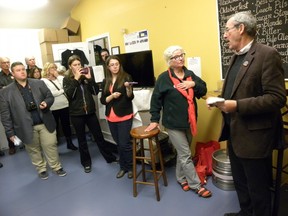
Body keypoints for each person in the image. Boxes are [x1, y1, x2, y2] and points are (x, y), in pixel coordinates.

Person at [206, 11, 286, 216]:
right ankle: (245, 212)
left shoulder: (267, 54)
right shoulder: (235, 57)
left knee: (258, 190)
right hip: (234, 133)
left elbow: (276, 98)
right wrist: (220, 102)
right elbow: (235, 91)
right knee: (241, 183)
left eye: (227, 30)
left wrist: (237, 105)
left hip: (256, 138)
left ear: (241, 29)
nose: (224, 35)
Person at [145, 45, 212, 198]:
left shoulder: (189, 74)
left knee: (183, 154)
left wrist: (192, 84)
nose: (180, 58)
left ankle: (181, 178)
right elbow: (156, 101)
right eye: (176, 57)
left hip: (189, 121)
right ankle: (197, 185)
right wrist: (154, 120)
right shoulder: (164, 78)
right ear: (169, 61)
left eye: (181, 55)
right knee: (186, 154)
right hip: (173, 124)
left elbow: (203, 89)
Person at [0, 61, 67, 180]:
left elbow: (49, 96)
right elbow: (5, 114)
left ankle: (56, 167)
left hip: (44, 121)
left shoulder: (38, 83)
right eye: (18, 70)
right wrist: (9, 132)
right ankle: (41, 169)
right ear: (13, 74)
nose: (22, 71)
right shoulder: (6, 92)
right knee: (33, 149)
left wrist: (46, 103)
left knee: (50, 145)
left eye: (23, 69)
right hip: (25, 126)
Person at [63, 55, 117, 173]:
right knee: (81, 140)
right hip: (77, 114)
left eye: (79, 64)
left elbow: (95, 92)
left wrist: (90, 79)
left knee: (99, 136)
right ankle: (86, 162)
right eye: (75, 65)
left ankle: (109, 158)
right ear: (70, 66)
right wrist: (76, 80)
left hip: (90, 112)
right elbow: (70, 96)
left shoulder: (85, 76)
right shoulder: (67, 79)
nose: (78, 67)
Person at [100, 55, 134, 179]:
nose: (115, 67)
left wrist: (128, 88)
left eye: (117, 64)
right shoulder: (106, 81)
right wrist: (112, 96)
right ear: (108, 67)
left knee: (125, 144)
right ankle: (123, 167)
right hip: (111, 116)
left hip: (124, 115)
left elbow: (130, 96)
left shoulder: (126, 77)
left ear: (120, 65)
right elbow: (103, 100)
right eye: (112, 65)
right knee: (118, 143)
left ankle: (130, 168)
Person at [41, 62, 78, 151]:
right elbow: (50, 93)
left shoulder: (59, 78)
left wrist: (58, 76)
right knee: (55, 126)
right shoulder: (43, 81)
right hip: (53, 107)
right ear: (47, 70)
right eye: (51, 68)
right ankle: (54, 145)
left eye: (55, 68)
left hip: (64, 105)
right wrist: (62, 91)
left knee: (66, 125)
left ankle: (69, 143)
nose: (54, 69)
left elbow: (66, 86)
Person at [0, 57, 16, 155]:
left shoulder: (14, 74)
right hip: (5, 104)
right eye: (4, 63)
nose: (6, 64)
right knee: (8, 125)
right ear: (0, 64)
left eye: (8, 62)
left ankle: (24, 142)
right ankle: (11, 146)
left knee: (20, 122)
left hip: (16, 102)